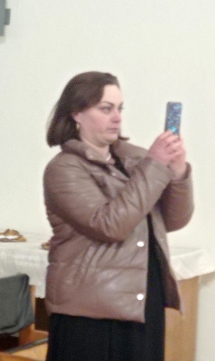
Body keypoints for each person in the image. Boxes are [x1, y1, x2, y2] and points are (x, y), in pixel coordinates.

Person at [43, 72, 193, 361]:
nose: (117, 118)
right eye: (105, 108)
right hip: (92, 307)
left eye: (119, 108)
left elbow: (173, 220)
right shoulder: (64, 168)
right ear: (76, 113)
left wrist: (177, 173)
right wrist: (155, 165)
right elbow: (110, 225)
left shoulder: (135, 159)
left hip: (140, 297)